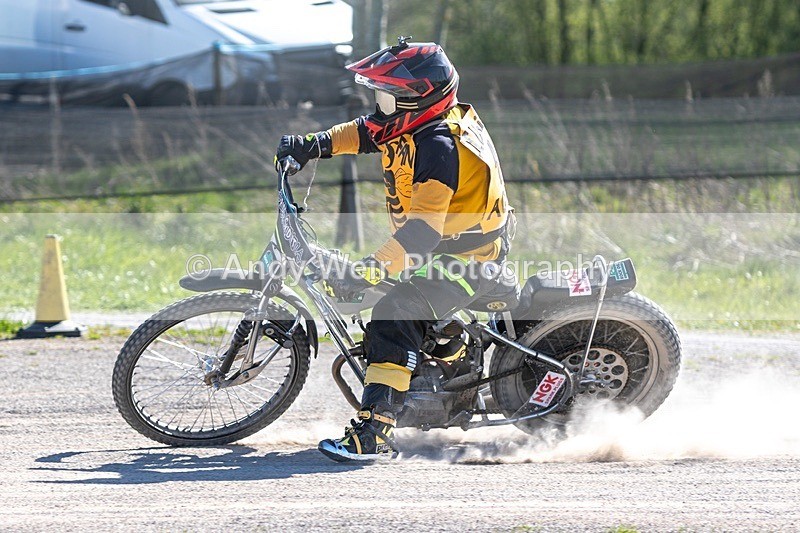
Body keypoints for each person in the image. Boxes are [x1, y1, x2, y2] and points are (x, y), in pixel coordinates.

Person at [275, 37, 512, 462]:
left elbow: (420, 235)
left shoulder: (438, 146)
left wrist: (368, 271)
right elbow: (365, 131)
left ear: (414, 99)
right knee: (391, 294)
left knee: (392, 314)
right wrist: (311, 145)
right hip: (442, 249)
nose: (378, 104)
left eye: (386, 95)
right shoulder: (413, 123)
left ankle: (375, 432)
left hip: (467, 259)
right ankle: (447, 351)